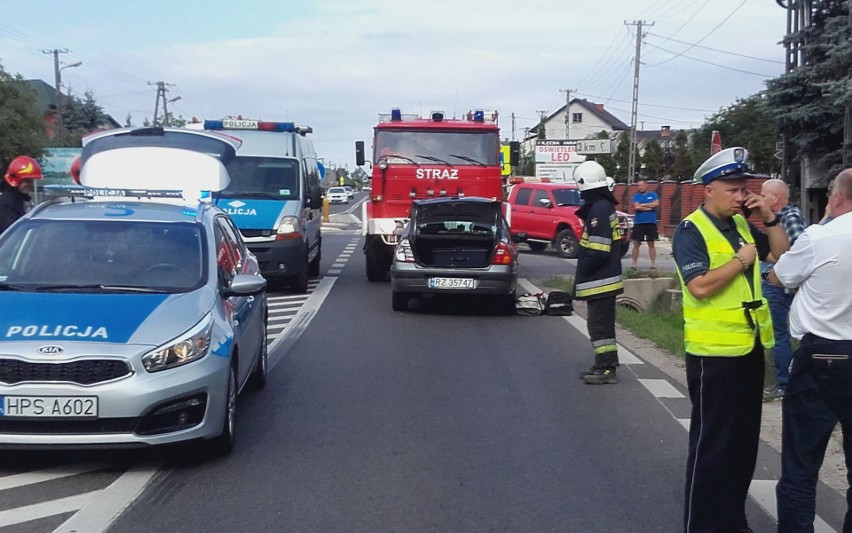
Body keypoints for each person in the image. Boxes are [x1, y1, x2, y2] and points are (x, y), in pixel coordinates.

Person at [672, 147, 789, 533]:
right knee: (712, 449)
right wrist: (740, 261)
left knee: (741, 448)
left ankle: (732, 522)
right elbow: (701, 286)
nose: (742, 196)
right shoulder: (692, 230)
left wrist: (770, 217)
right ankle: (703, 526)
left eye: (744, 188)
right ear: (709, 188)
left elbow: (779, 254)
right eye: (733, 188)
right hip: (713, 357)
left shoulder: (740, 226)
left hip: (748, 348)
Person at [771, 168, 852, 532]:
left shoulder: (819, 237)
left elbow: (780, 276)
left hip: (821, 357)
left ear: (836, 197)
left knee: (800, 469)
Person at [574, 161, 624, 385]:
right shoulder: (603, 207)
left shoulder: (599, 210)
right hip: (603, 281)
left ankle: (606, 369)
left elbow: (599, 250)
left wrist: (583, 271)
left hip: (601, 281)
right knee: (599, 326)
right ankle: (602, 363)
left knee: (600, 327)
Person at [759, 179, 805, 402]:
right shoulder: (778, 218)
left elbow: (799, 248)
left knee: (779, 335)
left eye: (763, 194)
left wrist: (777, 274)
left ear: (775, 198)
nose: (760, 197)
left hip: (778, 286)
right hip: (775, 283)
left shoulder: (790, 216)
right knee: (774, 333)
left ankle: (784, 384)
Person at [0, 156, 43, 235]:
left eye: (31, 181)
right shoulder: (5, 204)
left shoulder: (22, 199)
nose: (30, 185)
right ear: (15, 180)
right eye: (26, 181)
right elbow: (13, 234)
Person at [631, 178, 660, 270]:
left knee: (651, 243)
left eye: (641, 185)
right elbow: (637, 207)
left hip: (650, 222)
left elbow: (656, 204)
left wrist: (642, 205)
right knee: (636, 243)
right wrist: (649, 206)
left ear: (646, 185)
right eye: (638, 185)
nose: (640, 187)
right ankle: (633, 265)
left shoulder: (653, 194)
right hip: (639, 222)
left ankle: (653, 265)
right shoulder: (636, 196)